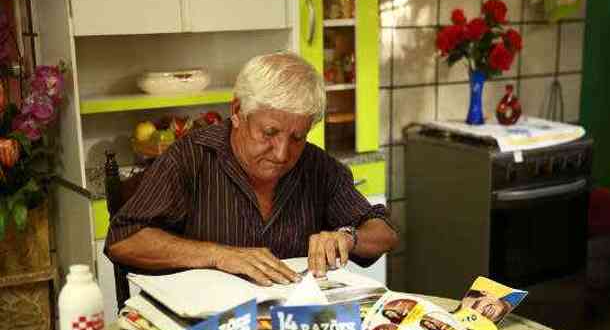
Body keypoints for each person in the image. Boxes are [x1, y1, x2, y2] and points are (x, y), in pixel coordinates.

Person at [105, 52, 398, 284]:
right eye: (269, 133)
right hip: (208, 329)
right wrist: (217, 255)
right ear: (237, 112)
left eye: (297, 137)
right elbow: (123, 240)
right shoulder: (191, 157)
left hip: (286, 329)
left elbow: (384, 232)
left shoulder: (317, 167)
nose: (283, 153)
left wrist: (348, 237)